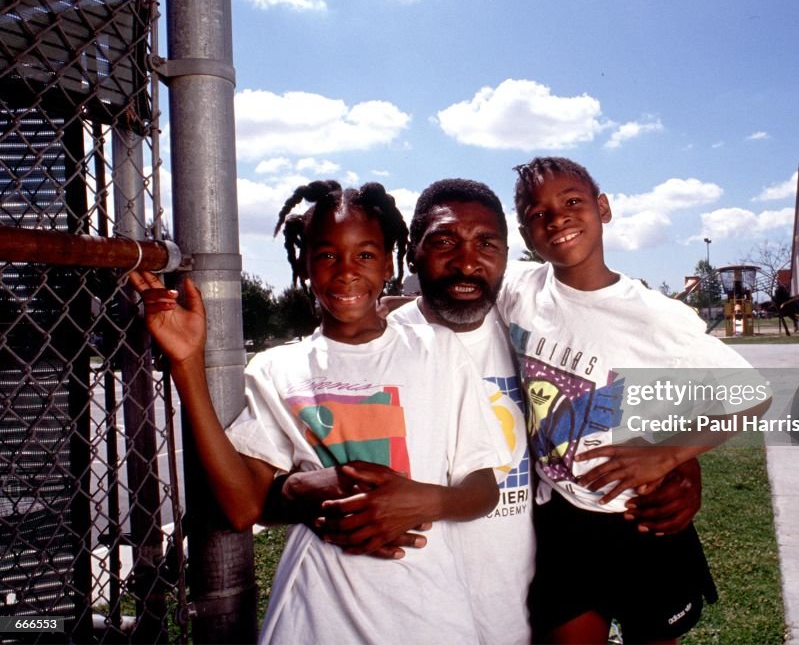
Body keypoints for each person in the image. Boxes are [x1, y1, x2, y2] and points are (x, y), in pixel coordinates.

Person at [275, 178, 706, 644]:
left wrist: (683, 461)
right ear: (412, 254)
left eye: (486, 244)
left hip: (524, 599)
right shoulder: (377, 345)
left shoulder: (531, 328)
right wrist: (297, 488)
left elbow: (627, 393)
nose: (466, 261)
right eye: (443, 242)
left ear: (505, 254)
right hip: (418, 607)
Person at [129, 180, 509, 645]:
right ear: (305, 263)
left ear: (389, 261)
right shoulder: (277, 368)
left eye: (365, 255)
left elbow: (483, 490)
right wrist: (186, 364)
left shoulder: (440, 349)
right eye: (327, 255)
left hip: (429, 612)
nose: (346, 272)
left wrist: (421, 500)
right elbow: (241, 507)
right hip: (314, 616)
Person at [501, 157, 772, 644]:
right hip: (561, 521)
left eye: (571, 202)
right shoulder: (518, 290)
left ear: (602, 209)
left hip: (641, 519)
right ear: (525, 233)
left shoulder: (656, 317)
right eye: (537, 213)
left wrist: (668, 455)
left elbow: (751, 394)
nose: (556, 218)